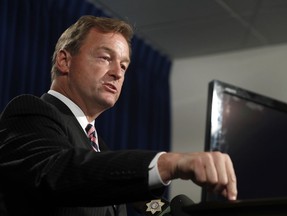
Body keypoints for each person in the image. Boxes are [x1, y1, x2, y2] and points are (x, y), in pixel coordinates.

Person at [0, 15, 237, 216]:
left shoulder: (100, 149)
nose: (117, 73)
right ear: (65, 61)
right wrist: (167, 163)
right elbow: (58, 173)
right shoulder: (30, 113)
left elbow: (137, 199)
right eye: (105, 58)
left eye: (124, 66)